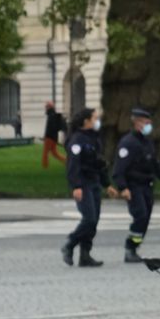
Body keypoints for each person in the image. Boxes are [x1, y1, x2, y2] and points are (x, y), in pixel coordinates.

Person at [109, 105, 160, 263]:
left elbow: (154, 163)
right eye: (146, 122)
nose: (149, 126)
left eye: (149, 122)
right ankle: (129, 248)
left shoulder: (147, 142)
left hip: (147, 185)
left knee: (145, 219)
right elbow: (119, 168)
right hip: (134, 186)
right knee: (140, 216)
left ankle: (135, 247)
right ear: (137, 123)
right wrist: (122, 187)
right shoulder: (128, 143)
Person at [60, 106, 107, 268]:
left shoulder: (94, 138)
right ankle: (70, 243)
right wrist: (77, 186)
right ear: (86, 121)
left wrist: (107, 184)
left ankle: (85, 254)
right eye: (94, 118)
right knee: (89, 219)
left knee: (94, 222)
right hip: (83, 183)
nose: (97, 121)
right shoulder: (77, 140)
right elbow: (73, 165)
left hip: (94, 182)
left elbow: (98, 164)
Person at [41, 100, 67, 167]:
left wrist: (46, 136)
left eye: (46, 106)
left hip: (50, 137)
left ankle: (45, 166)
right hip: (53, 137)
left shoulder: (51, 115)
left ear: (49, 107)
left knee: (45, 152)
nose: (45, 108)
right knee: (54, 153)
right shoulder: (53, 115)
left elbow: (50, 128)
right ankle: (67, 161)